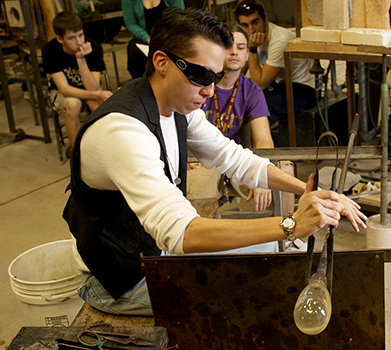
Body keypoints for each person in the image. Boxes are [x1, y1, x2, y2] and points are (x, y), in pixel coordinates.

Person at [63, 7, 367, 316]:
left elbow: (235, 158)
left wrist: (306, 191)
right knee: (263, 293)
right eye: (201, 76)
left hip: (152, 250)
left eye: (216, 77)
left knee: (283, 258)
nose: (209, 90)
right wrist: (290, 224)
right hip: (119, 280)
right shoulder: (123, 131)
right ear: (162, 62)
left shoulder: (178, 106)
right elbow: (182, 232)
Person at [201, 23, 295, 215]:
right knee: (197, 187)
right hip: (201, 158)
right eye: (229, 46)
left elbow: (263, 139)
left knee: (284, 169)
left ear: (246, 55)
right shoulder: (201, 83)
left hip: (234, 159)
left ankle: (289, 237)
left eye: (241, 48)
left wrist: (261, 173)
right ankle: (198, 242)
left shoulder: (251, 90)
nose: (235, 52)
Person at [235, 0, 316, 126]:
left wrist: (252, 49)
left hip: (303, 88)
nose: (251, 30)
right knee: (242, 98)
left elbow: (259, 84)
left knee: (259, 105)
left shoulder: (279, 40)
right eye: (245, 25)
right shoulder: (251, 38)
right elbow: (238, 73)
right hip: (280, 84)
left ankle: (259, 142)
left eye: (255, 22)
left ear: (265, 19)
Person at [42, 11, 112, 148]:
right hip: (62, 92)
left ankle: (105, 147)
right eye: (72, 38)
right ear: (60, 39)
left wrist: (80, 58)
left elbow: (92, 86)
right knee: (73, 105)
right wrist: (97, 94)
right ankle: (76, 153)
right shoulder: (50, 51)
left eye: (80, 35)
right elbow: (65, 89)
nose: (79, 41)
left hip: (88, 88)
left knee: (96, 105)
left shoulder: (94, 48)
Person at [122, 0, 184, 79]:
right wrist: (147, 38)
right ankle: (141, 85)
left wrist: (164, 39)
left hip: (168, 37)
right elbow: (130, 23)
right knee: (134, 53)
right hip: (144, 38)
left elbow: (180, 18)